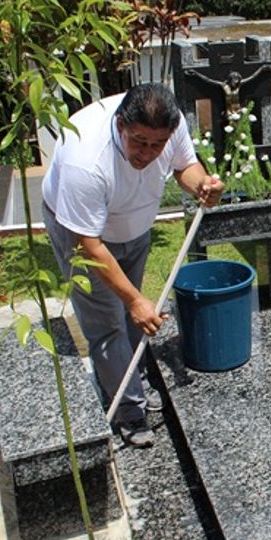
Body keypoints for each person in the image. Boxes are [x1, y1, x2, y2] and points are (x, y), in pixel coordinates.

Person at [42, 83, 224, 448]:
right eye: (139, 142)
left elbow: (184, 165)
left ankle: (133, 378)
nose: (148, 154)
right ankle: (128, 409)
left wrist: (202, 185)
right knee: (108, 322)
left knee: (132, 317)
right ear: (121, 124)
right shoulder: (86, 160)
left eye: (157, 145)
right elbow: (89, 245)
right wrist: (134, 299)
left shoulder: (168, 127)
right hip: (84, 234)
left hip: (135, 225)